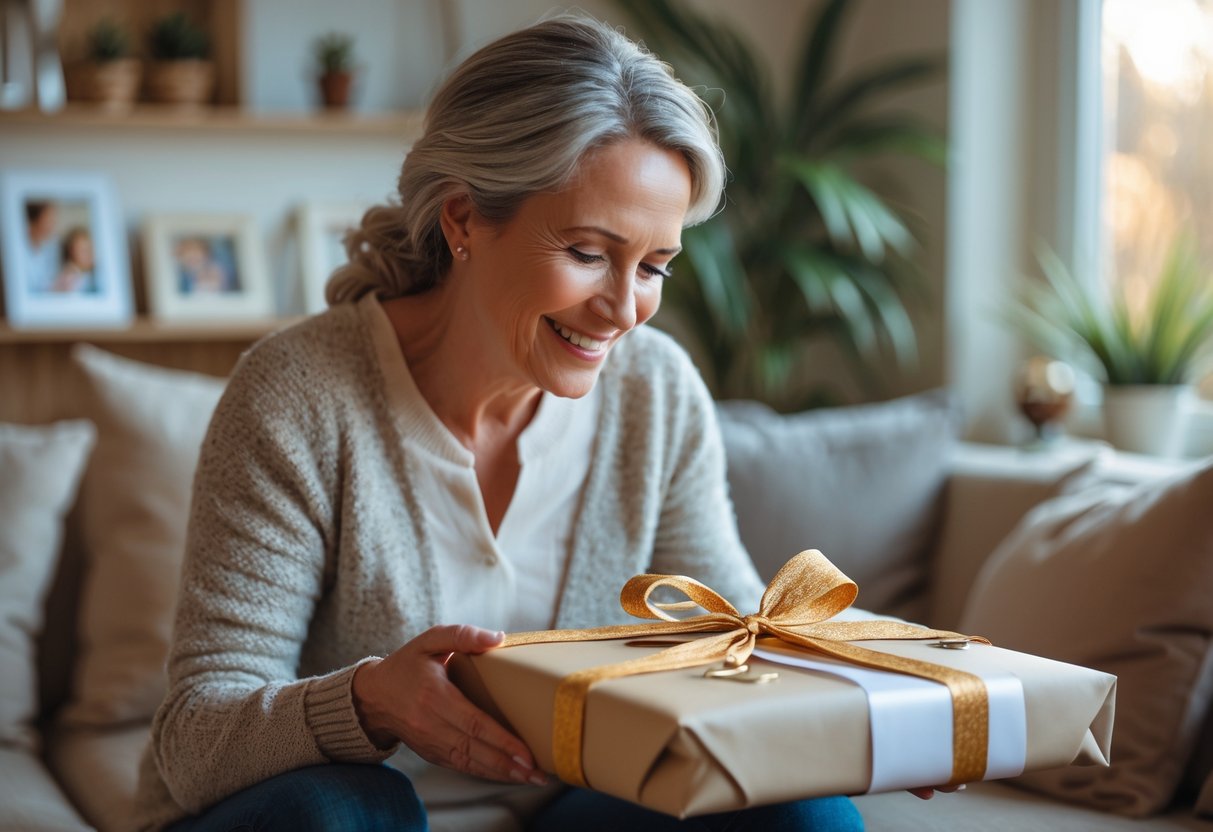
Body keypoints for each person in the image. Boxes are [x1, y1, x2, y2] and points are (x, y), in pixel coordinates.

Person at [132, 15, 874, 832]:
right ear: (463, 220)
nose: (625, 310)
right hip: (346, 813)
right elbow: (194, 739)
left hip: (565, 812)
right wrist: (370, 703)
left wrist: (877, 724)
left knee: (804, 813)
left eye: (655, 265)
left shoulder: (654, 392)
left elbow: (733, 641)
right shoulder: (299, 395)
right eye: (589, 253)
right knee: (338, 810)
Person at [24, 200, 61, 293]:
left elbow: (45, 285)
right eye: (49, 219)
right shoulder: (21, 251)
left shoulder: (46, 249)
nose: (53, 225)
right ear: (34, 220)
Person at [52, 226, 97, 293]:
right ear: (71, 253)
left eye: (90, 248)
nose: (89, 254)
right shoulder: (69, 280)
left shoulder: (88, 275)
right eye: (83, 250)